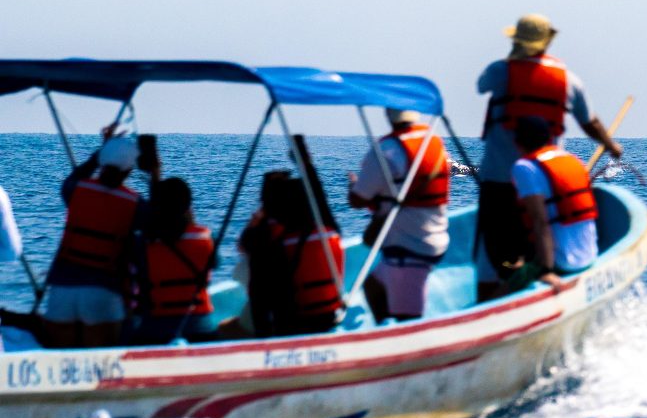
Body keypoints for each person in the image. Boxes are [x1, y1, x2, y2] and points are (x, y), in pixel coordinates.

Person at [476, 13, 621, 294]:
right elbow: (589, 121)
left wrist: (512, 59)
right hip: (545, 176)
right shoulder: (568, 79)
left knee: (495, 244)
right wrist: (611, 146)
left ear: (516, 40)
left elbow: (481, 87)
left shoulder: (500, 71)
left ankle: (493, 292)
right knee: (536, 232)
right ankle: (536, 281)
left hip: (499, 178)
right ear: (546, 42)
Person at [42, 132, 157, 348]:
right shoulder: (134, 203)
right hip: (102, 288)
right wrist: (154, 173)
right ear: (129, 170)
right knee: (101, 353)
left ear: (102, 162)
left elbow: (79, 173)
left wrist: (102, 150)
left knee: (60, 350)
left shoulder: (75, 189)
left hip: (63, 286)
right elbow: (157, 221)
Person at [349, 108, 450, 321]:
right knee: (373, 286)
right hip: (436, 236)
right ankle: (384, 326)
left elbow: (357, 199)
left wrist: (353, 186)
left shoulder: (386, 151)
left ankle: (402, 344)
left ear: (388, 116)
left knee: (409, 319)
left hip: (409, 247)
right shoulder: (433, 142)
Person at [239, 175, 344, 336]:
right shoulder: (329, 234)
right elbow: (322, 205)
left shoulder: (270, 244)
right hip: (327, 317)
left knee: (230, 328)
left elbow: (245, 244)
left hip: (289, 323)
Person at [507, 116, 600, 293]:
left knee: (503, 287)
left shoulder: (524, 167)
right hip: (589, 254)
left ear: (518, 142)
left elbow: (539, 222)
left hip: (562, 261)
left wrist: (546, 271)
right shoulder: (572, 159)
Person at [129, 177, 219, 344]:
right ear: (188, 206)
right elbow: (213, 264)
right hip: (200, 326)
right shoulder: (205, 237)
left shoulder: (142, 243)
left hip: (156, 328)